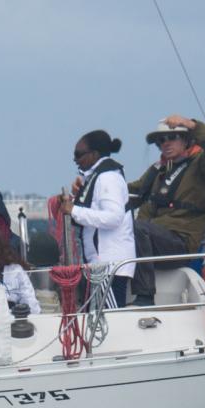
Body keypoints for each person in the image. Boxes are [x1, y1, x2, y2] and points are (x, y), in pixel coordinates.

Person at [128, 114, 205, 305]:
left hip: (180, 242)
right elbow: (129, 191)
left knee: (138, 228)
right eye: (161, 140)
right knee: (119, 229)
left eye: (172, 137)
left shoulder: (201, 166)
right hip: (152, 239)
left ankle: (145, 297)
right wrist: (89, 190)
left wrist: (192, 125)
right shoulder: (158, 171)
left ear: (186, 140)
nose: (165, 143)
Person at [59, 129, 136, 307]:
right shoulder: (96, 177)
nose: (75, 160)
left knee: (108, 319)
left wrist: (74, 210)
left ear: (94, 154)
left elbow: (114, 217)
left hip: (111, 266)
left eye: (78, 154)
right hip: (100, 266)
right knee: (97, 318)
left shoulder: (108, 178)